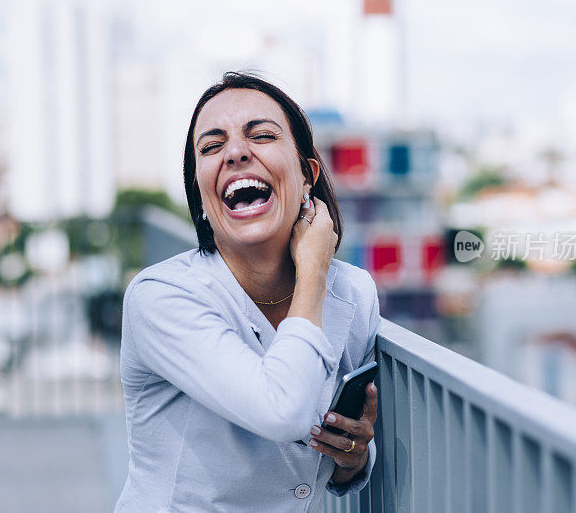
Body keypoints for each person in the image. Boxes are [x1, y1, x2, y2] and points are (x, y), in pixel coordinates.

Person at [114, 72, 382, 512]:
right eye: (212, 146)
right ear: (200, 193)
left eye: (261, 135)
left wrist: (352, 459)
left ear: (307, 174)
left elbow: (332, 455)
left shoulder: (354, 293)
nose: (236, 152)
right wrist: (312, 270)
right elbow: (282, 410)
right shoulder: (160, 297)